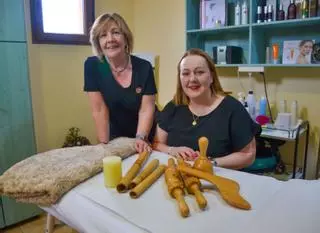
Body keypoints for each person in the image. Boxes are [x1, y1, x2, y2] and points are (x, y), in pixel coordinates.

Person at [153, 48, 260, 170]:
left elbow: (248, 155)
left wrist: (210, 162)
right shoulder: (173, 107)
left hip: (216, 178)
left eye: (199, 72)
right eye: (186, 73)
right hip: (179, 175)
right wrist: (172, 150)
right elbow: (156, 144)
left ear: (212, 77)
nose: (192, 79)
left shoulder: (232, 109)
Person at [84, 13, 157, 153]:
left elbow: (146, 109)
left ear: (126, 38)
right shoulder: (92, 66)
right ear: (98, 42)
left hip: (145, 134)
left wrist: (141, 138)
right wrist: (104, 145)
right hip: (115, 137)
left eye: (116, 32)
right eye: (103, 35)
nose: (110, 39)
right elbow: (99, 110)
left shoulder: (144, 67)